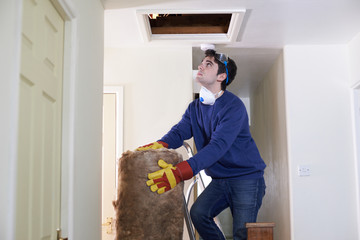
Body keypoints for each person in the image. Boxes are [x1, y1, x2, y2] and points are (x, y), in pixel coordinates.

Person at [137, 49, 266, 240]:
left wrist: (180, 172)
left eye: (208, 64)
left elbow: (218, 146)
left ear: (222, 76)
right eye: (202, 62)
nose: (200, 66)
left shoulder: (233, 106)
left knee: (242, 233)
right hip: (220, 180)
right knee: (198, 213)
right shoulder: (195, 107)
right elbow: (180, 132)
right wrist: (161, 144)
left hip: (246, 178)